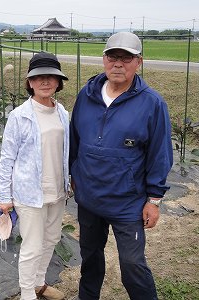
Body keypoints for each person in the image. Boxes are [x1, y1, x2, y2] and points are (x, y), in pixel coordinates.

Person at [69, 32, 173, 300]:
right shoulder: (87, 95)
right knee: (90, 258)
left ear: (138, 62)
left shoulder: (152, 103)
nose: (118, 63)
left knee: (132, 265)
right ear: (104, 59)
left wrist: (154, 199)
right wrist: (73, 173)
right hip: (90, 199)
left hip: (127, 202)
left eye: (126, 58)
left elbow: (160, 153)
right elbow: (75, 139)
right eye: (113, 56)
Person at [0, 52, 70, 300]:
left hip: (57, 192)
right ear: (30, 82)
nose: (45, 82)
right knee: (31, 246)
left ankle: (40, 283)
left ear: (58, 82)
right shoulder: (20, 115)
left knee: (51, 240)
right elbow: (7, 158)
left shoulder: (62, 113)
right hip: (29, 194)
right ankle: (27, 294)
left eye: (51, 77)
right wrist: (5, 196)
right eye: (39, 77)